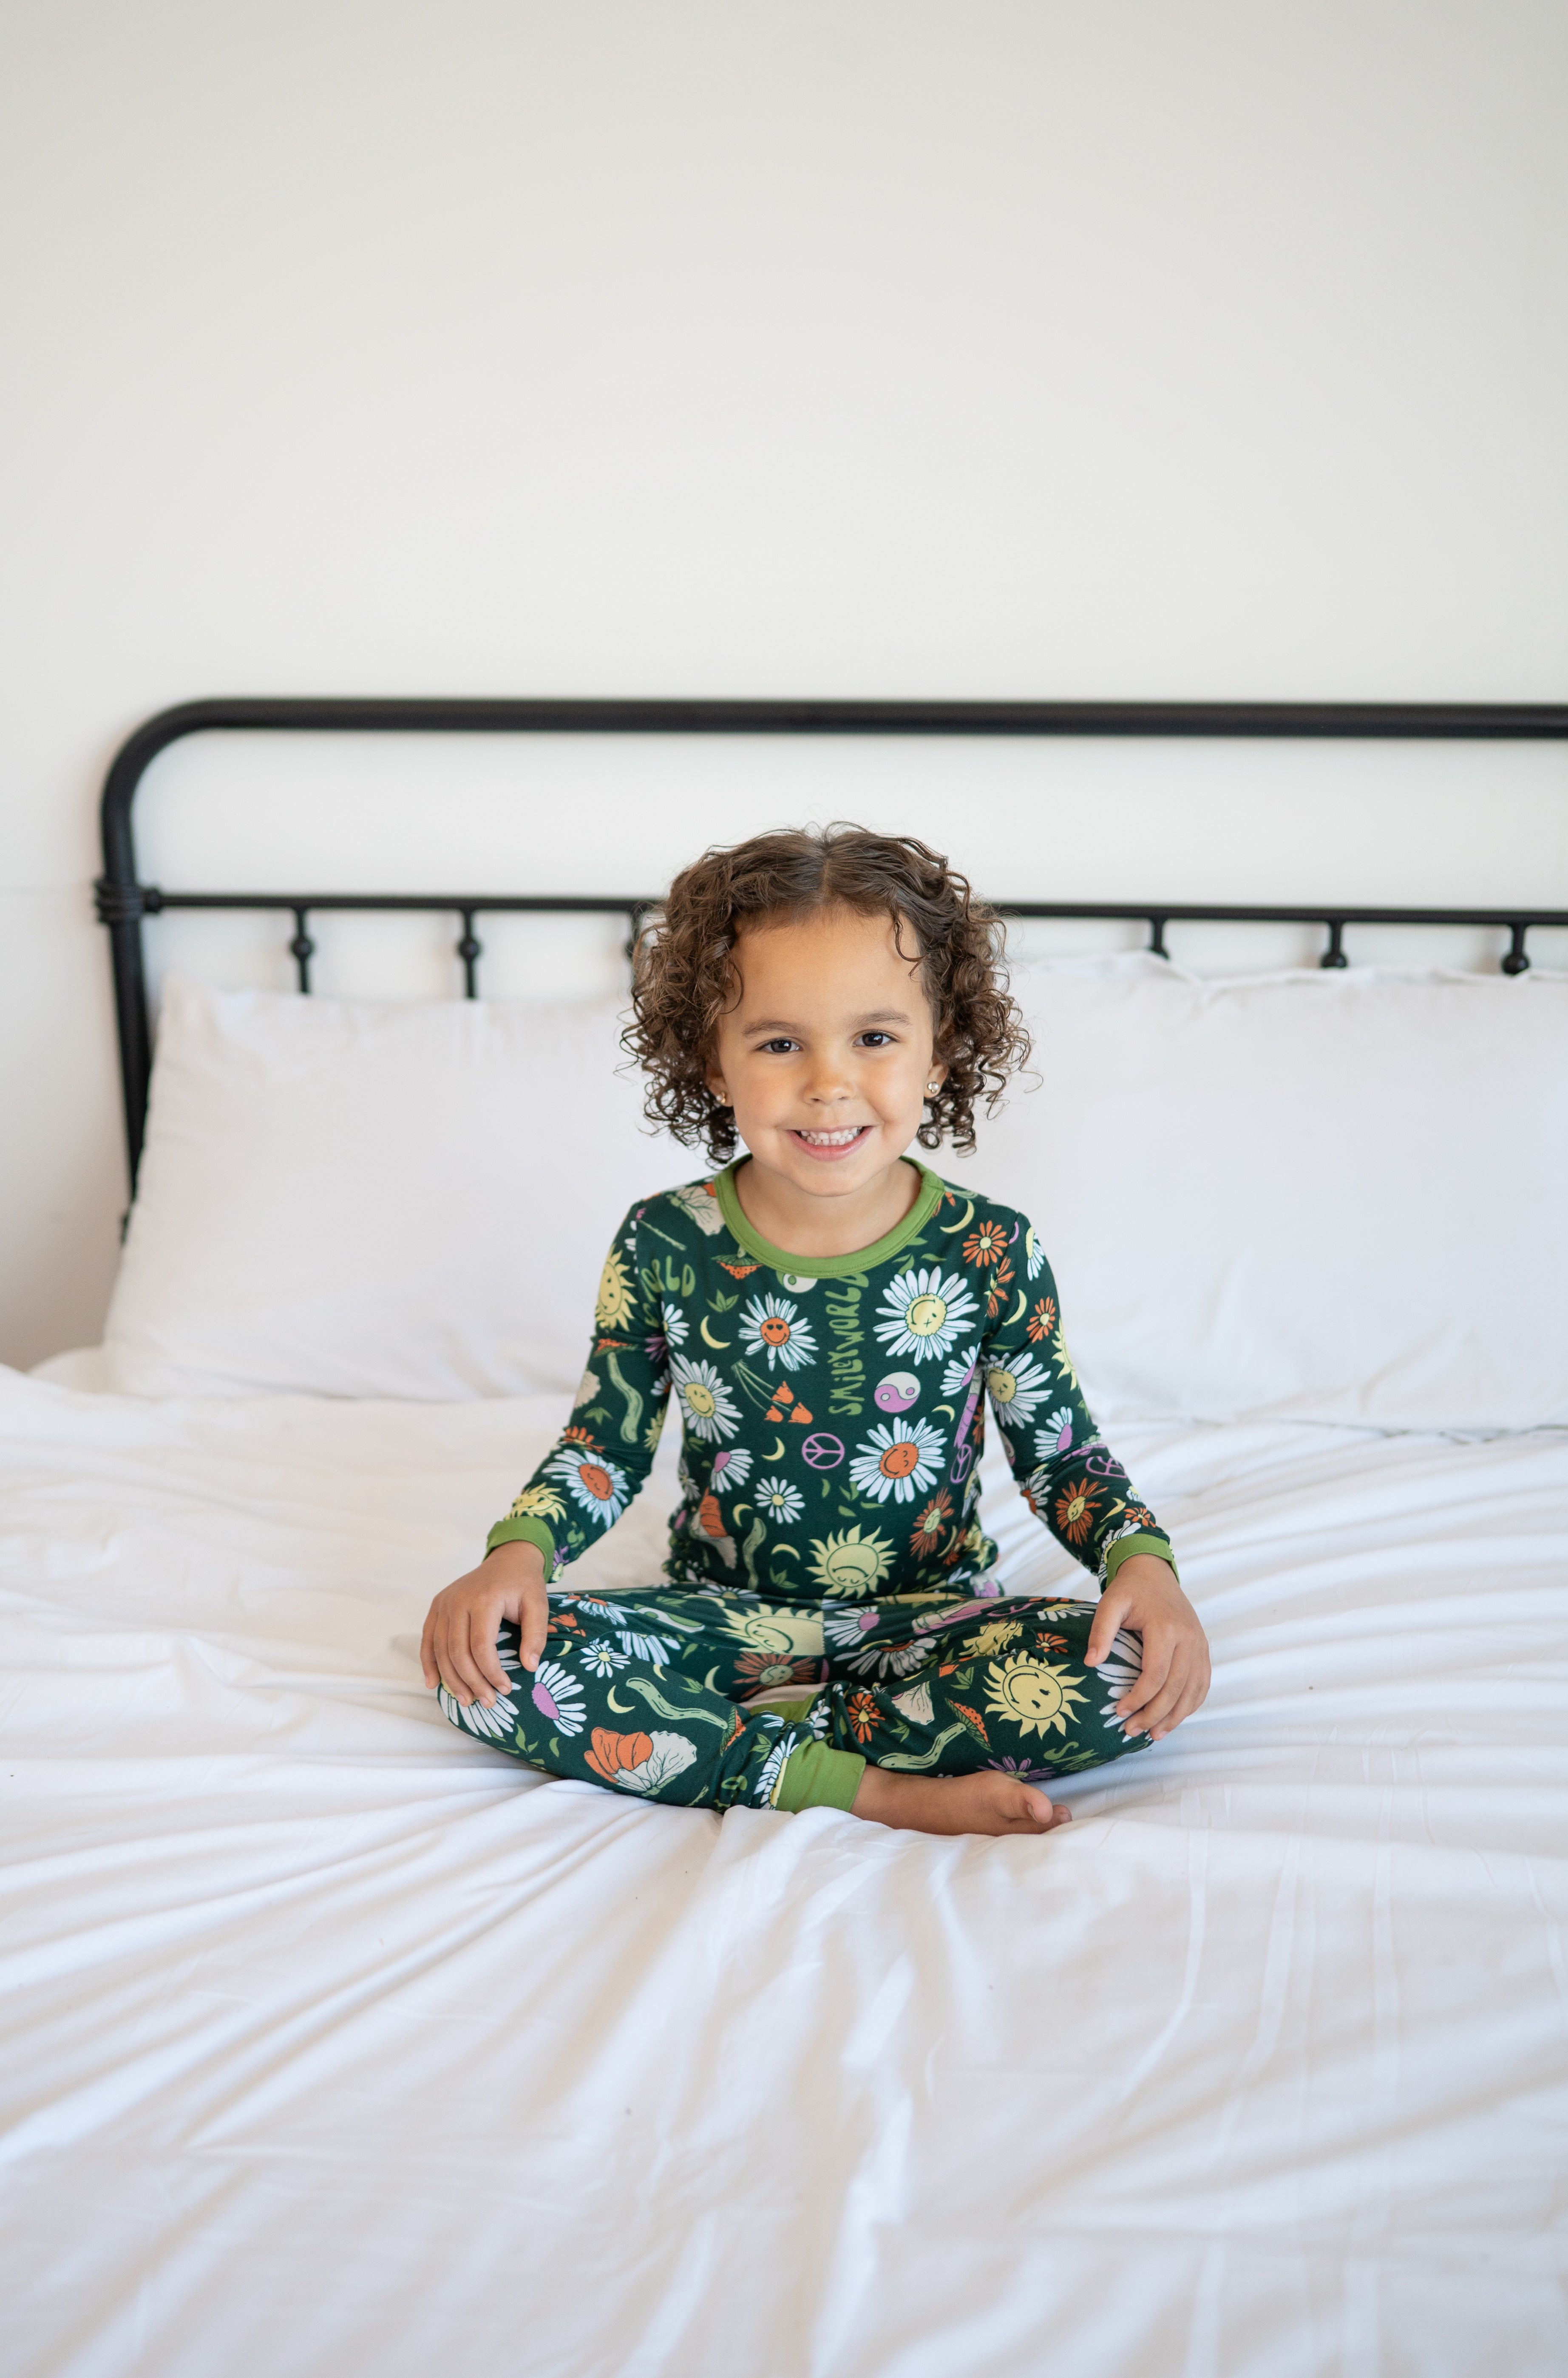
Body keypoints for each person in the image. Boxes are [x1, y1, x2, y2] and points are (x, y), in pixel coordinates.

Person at [422, 825, 1210, 1837]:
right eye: (780, 1041)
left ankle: (737, 1744)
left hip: (938, 1627)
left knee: (1133, 1676)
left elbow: (1061, 1455)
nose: (828, 1082)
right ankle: (876, 1786)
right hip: (719, 1619)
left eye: (874, 1037)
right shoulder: (665, 1239)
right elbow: (605, 1443)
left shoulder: (992, 1249)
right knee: (479, 1671)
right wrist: (518, 1553)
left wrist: (1143, 1564)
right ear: (712, 1061)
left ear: (943, 1046)